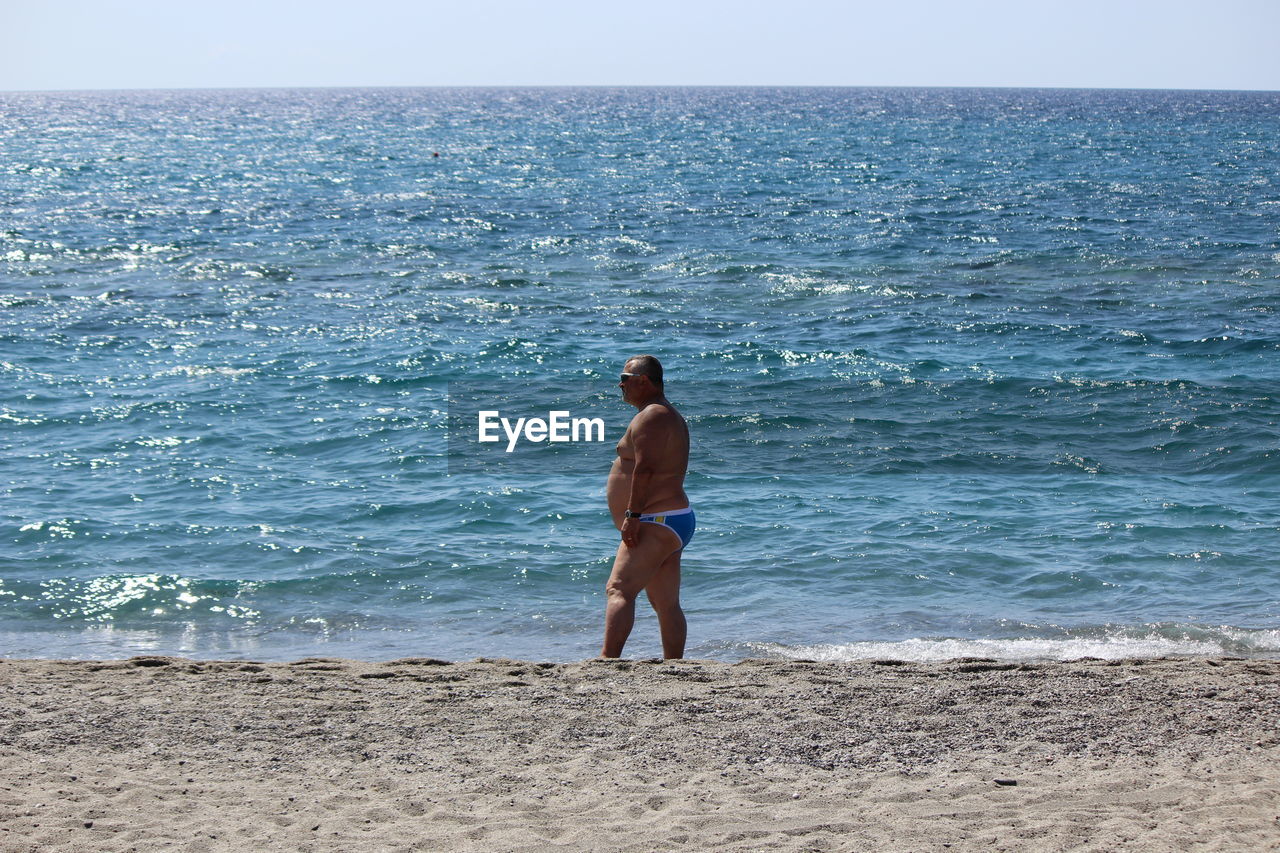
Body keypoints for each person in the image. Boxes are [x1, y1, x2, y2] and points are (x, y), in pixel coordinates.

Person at [601, 355, 694, 659]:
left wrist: (633, 515)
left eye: (625, 378)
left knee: (619, 589)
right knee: (665, 603)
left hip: (655, 518)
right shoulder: (665, 415)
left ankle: (607, 660)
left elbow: (645, 469)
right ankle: (675, 665)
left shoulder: (652, 416)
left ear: (644, 381)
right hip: (670, 519)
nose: (620, 385)